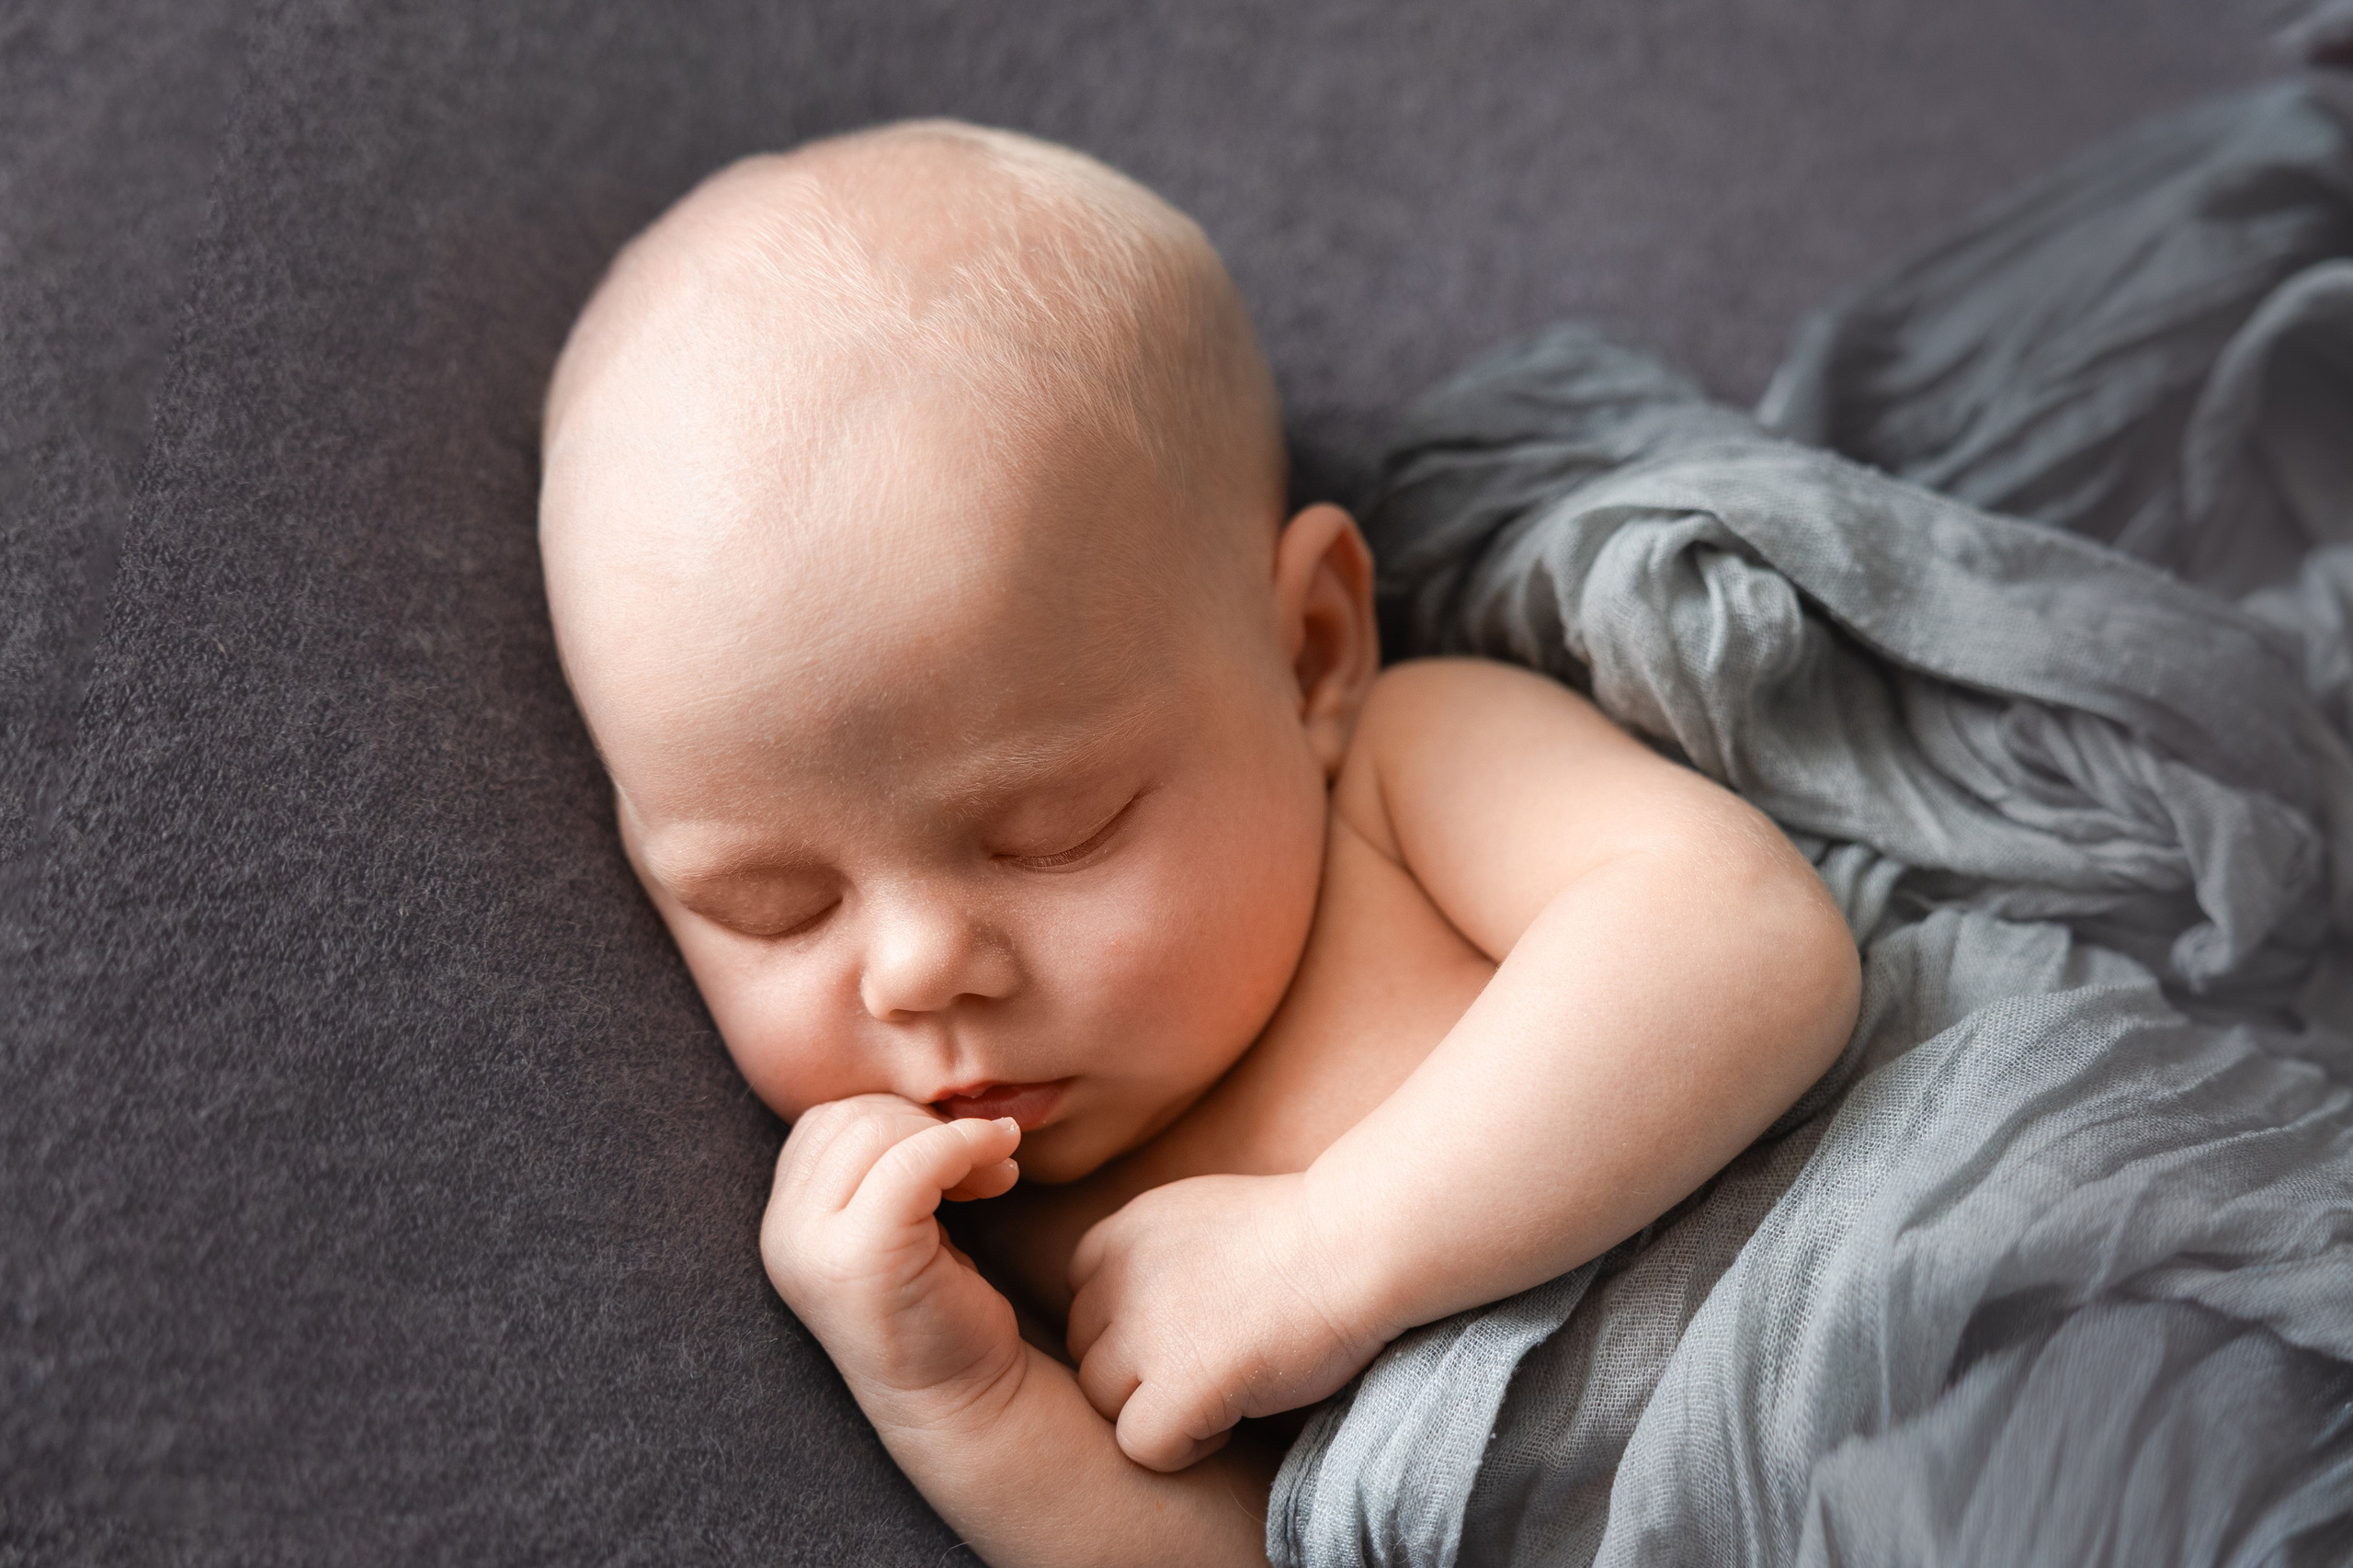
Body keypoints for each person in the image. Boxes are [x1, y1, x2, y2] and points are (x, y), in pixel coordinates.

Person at [536, 119, 1860, 1567]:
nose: (919, 969)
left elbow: (1741, 933)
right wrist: (961, 1397)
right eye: (770, 904)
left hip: (1866, 1363)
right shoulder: (998, 1240)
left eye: (1055, 830)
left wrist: (1333, 1247)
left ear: (1308, 654)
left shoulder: (1401, 779)